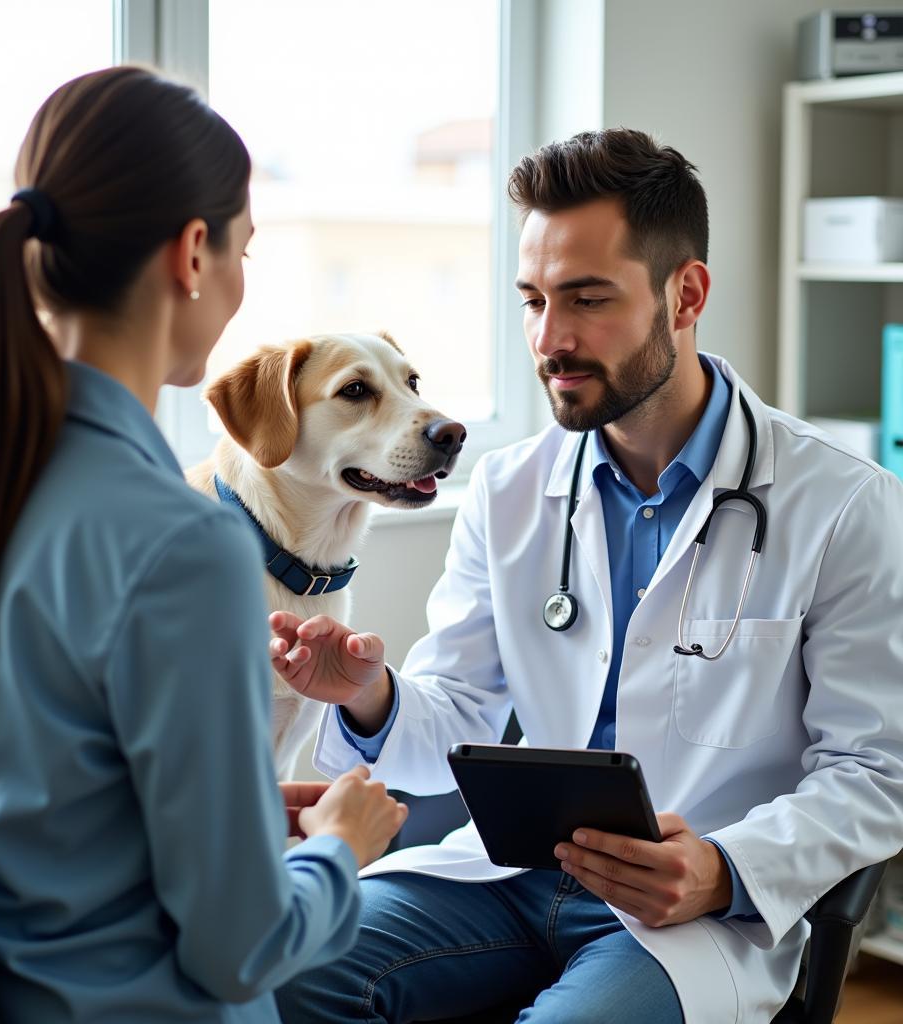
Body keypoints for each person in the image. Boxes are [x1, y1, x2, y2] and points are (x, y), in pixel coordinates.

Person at [270, 129, 903, 1023]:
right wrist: (370, 695)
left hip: (688, 915)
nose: (550, 339)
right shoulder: (510, 487)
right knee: (285, 974)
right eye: (532, 300)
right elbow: (458, 713)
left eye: (587, 299)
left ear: (685, 295)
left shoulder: (845, 504)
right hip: (503, 874)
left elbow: (876, 772)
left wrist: (723, 869)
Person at [0, 66, 407, 1023]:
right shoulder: (183, 545)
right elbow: (244, 949)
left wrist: (247, 810)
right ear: (193, 253)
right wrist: (339, 845)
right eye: (244, 248)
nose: (242, 278)